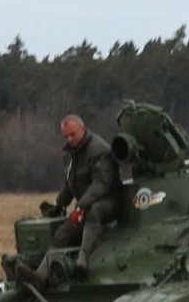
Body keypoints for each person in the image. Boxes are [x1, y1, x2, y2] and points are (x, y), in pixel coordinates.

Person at [20, 114, 117, 284]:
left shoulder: (99, 150)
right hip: (85, 206)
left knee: (94, 211)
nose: (70, 139)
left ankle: (83, 258)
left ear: (83, 129)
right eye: (66, 136)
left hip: (110, 202)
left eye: (73, 134)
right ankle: (40, 277)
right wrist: (59, 204)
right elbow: (70, 184)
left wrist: (80, 205)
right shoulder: (71, 154)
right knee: (62, 234)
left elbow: (101, 185)